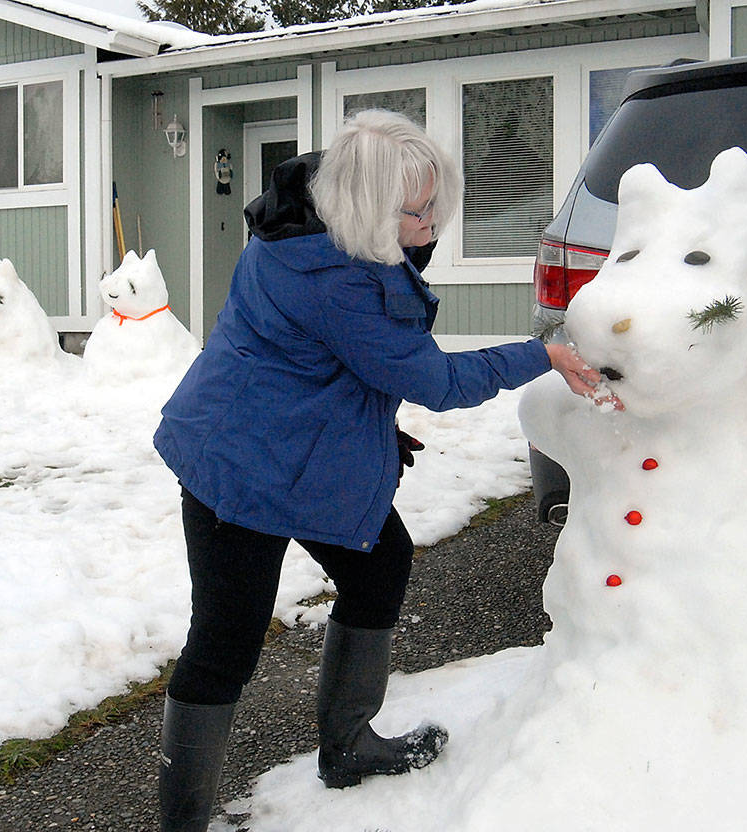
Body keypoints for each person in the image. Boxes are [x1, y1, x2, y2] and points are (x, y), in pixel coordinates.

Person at [151, 109, 601, 832]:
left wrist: (370, 428)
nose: (431, 225)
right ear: (363, 206)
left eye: (434, 206)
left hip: (296, 439)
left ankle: (349, 746)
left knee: (379, 562)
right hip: (238, 463)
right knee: (226, 640)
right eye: (415, 212)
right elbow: (434, 380)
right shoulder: (332, 277)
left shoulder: (313, 225)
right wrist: (541, 354)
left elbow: (312, 360)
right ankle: (183, 823)